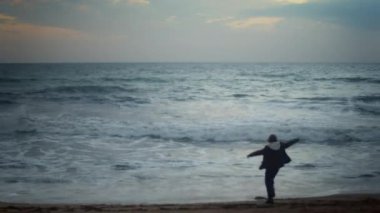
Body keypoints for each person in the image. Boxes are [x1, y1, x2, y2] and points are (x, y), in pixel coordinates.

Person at [247, 134, 299, 204]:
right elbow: (289, 143)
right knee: (270, 180)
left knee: (268, 181)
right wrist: (296, 140)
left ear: (269, 141)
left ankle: (270, 198)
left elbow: (259, 152)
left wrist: (250, 155)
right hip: (277, 167)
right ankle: (271, 196)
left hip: (269, 167)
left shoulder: (267, 148)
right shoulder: (281, 145)